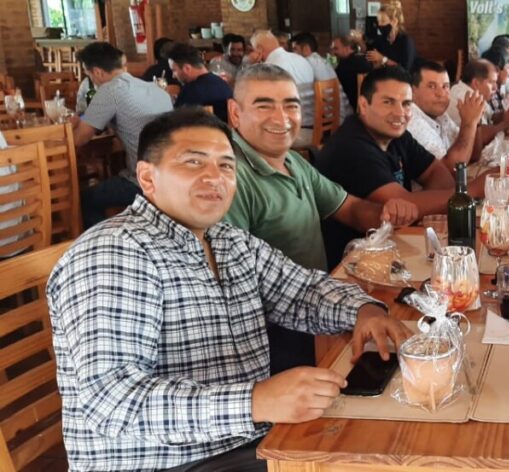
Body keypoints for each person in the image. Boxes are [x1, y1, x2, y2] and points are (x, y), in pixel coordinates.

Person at [47, 107, 412, 471]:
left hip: (243, 441)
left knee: (387, 439)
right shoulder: (116, 253)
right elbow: (112, 402)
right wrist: (256, 401)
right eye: (193, 162)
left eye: (226, 165)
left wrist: (364, 311)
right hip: (163, 463)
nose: (215, 177)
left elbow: (301, 290)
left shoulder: (227, 240)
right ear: (147, 177)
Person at [224, 64, 418, 374]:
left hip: (321, 306)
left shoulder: (293, 161)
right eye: (264, 106)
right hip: (278, 336)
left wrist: (386, 213)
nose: (281, 118)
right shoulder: (232, 179)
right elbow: (236, 289)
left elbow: (350, 208)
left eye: (291, 105)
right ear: (235, 113)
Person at [317, 67, 494, 268]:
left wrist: (441, 199)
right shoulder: (351, 147)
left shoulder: (397, 135)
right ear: (364, 105)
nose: (400, 113)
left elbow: (437, 174)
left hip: (396, 246)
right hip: (356, 264)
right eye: (388, 102)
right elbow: (402, 206)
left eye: (406, 104)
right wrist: (469, 192)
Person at [73, 42, 173, 228]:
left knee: (86, 198)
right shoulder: (153, 87)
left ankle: (106, 242)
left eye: (88, 75)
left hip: (143, 183)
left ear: (97, 72)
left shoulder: (109, 91)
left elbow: (80, 139)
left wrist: (73, 124)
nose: (91, 80)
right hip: (172, 176)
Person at [406, 61, 486, 172]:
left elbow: (472, 155)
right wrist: (469, 123)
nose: (441, 93)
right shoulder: (412, 120)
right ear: (413, 92)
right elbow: (451, 169)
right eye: (431, 86)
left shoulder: (441, 116)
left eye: (445, 86)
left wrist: (476, 120)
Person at [250, 29, 317, 148]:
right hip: (314, 125)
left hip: (296, 130)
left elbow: (256, 98)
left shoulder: (270, 67)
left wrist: (252, 65)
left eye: (253, 49)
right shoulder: (300, 59)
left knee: (249, 133)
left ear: (259, 49)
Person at [446, 59, 509, 149]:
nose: (496, 87)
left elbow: (491, 116)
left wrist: (508, 113)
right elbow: (480, 136)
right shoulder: (464, 97)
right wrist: (506, 123)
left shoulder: (472, 92)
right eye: (492, 82)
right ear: (476, 83)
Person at [291, 32, 354, 121]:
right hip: (345, 114)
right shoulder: (321, 61)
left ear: (306, 48)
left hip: (336, 119)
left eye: (295, 49)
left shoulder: (307, 63)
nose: (292, 53)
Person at [167, 43, 233, 122]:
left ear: (187, 68)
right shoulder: (222, 83)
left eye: (174, 70)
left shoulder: (190, 91)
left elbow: (175, 121)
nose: (173, 76)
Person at [366, 0, 416, 71]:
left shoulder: (406, 41)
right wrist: (359, 41)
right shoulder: (383, 39)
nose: (379, 25)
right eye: (378, 21)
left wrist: (383, 59)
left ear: (394, 21)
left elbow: (404, 70)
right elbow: (370, 50)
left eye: (383, 21)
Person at [331, 35, 374, 111]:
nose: (334, 52)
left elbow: (334, 83)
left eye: (336, 49)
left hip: (350, 108)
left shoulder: (345, 64)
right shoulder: (363, 59)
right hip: (368, 106)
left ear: (347, 48)